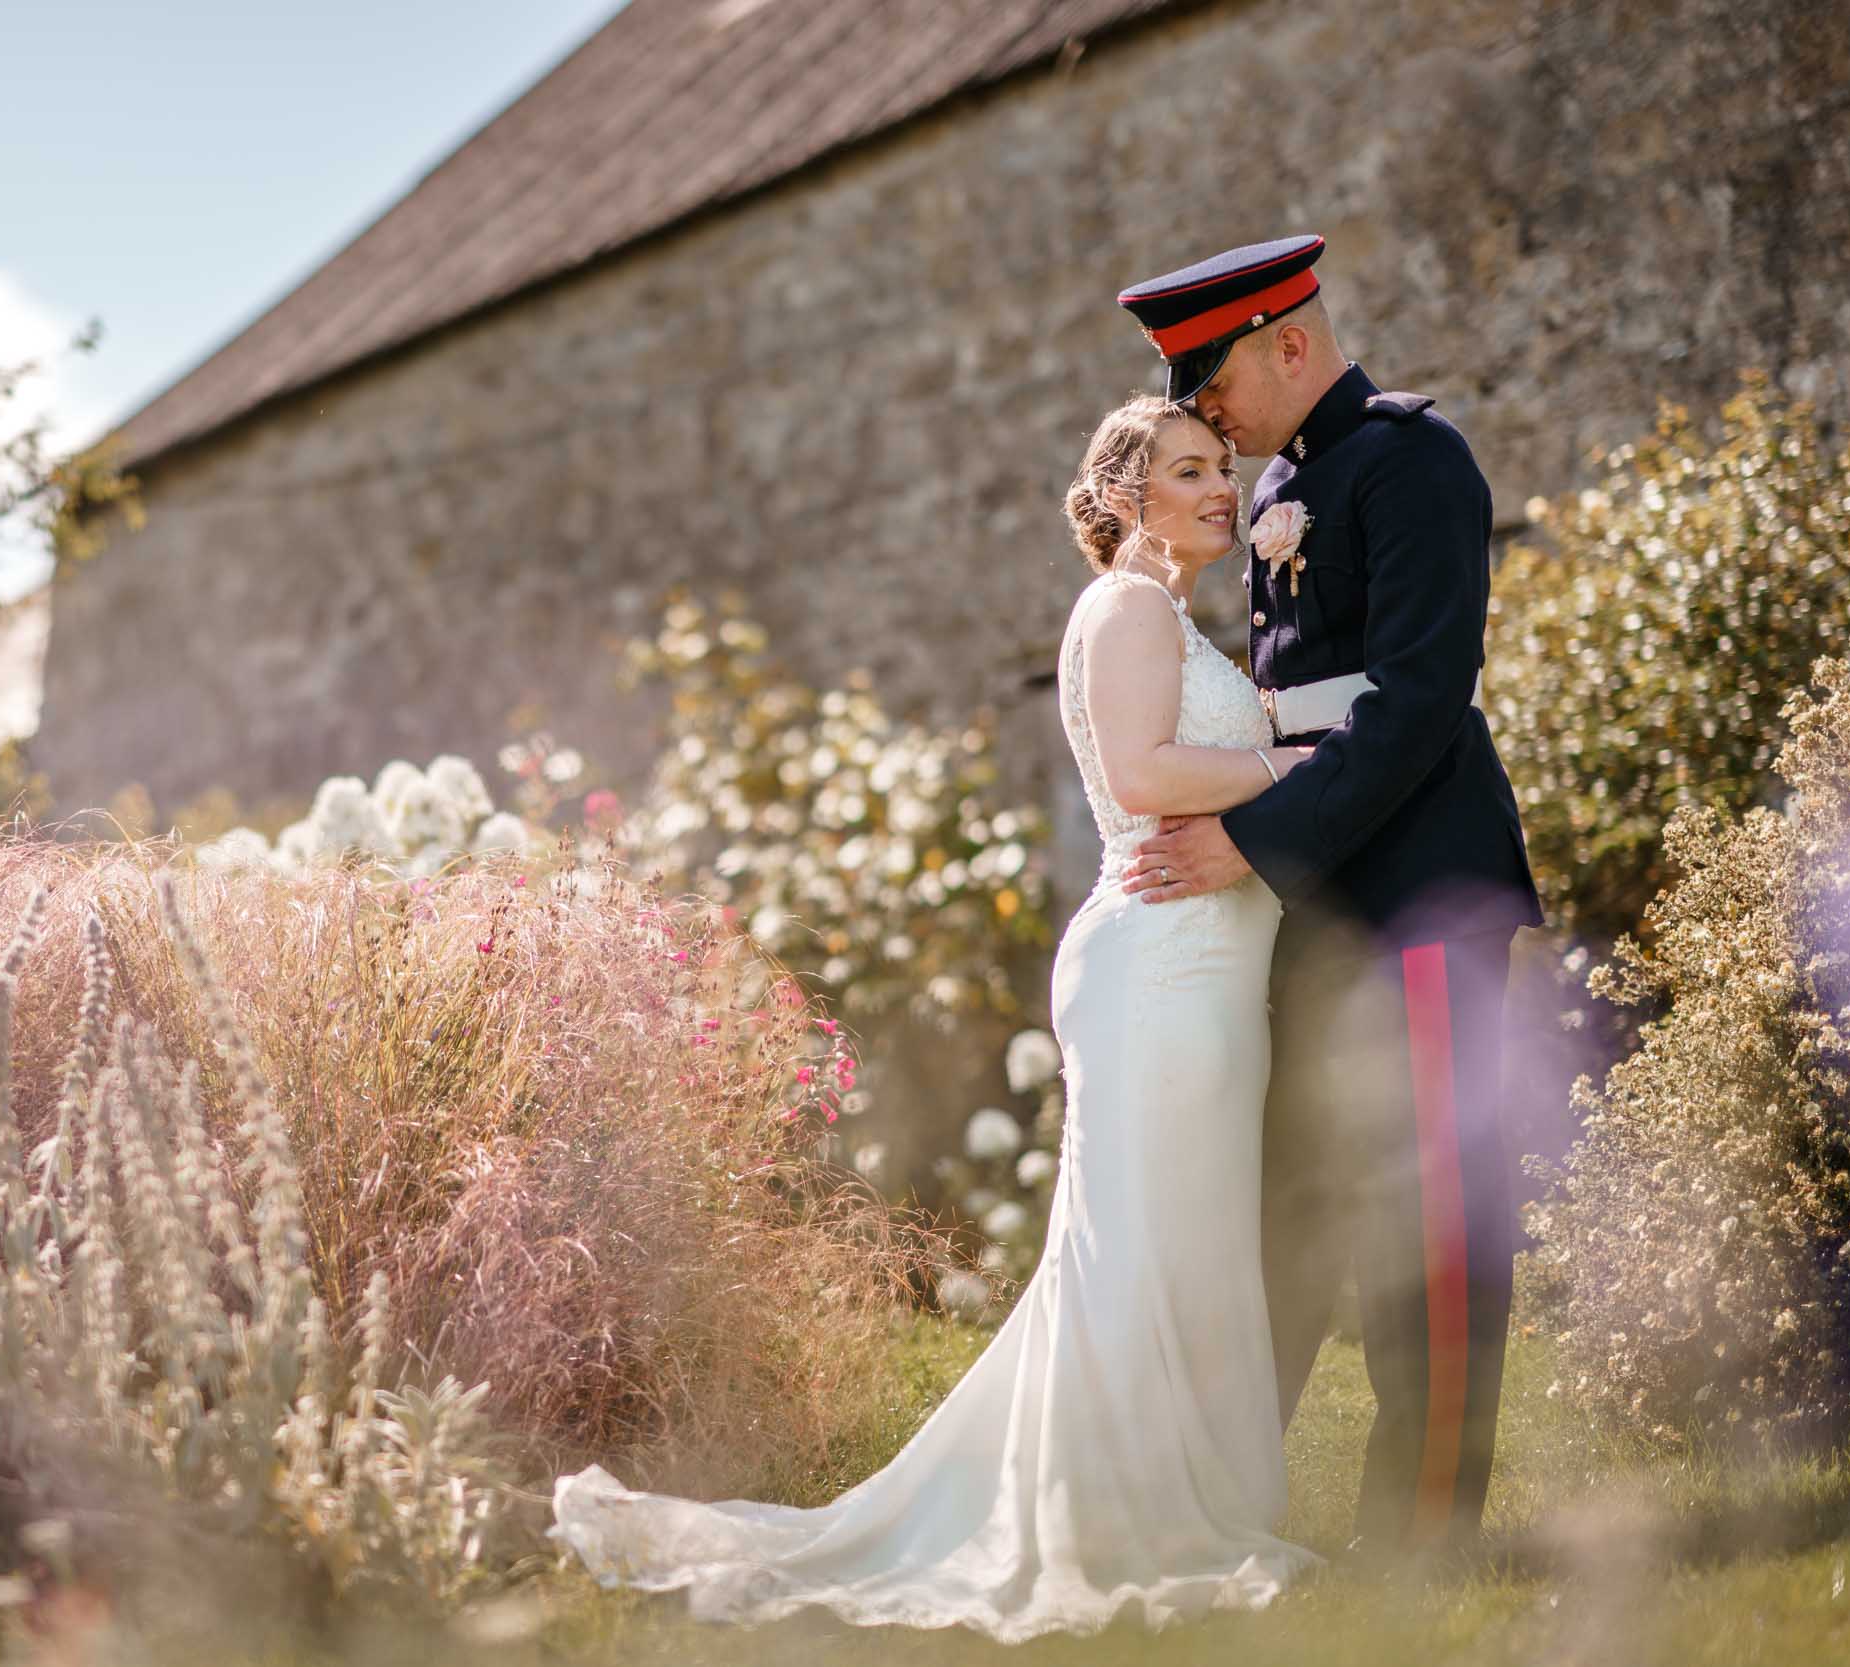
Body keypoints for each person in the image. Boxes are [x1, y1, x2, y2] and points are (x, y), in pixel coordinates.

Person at [548, 392, 1321, 1644]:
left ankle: (1162, 1499)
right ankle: (1132, 1523)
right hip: (1166, 971)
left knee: (1169, 1245)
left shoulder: (1166, 614)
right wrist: (1307, 768)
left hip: (1199, 970)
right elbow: (1140, 776)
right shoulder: (1125, 605)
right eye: (1189, 471)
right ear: (1124, 497)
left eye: (1221, 468)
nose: (1220, 488)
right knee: (1145, 1251)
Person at [1115, 234, 1543, 1561]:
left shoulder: (1413, 459)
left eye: (1216, 377)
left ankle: (1421, 1540)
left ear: (1288, 340)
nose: (1205, 412)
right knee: (1285, 1208)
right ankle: (1230, 1516)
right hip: (1315, 896)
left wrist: (1253, 839)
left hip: (1418, 893)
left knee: (1430, 1229)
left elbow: (1415, 705)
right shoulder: (1292, 478)